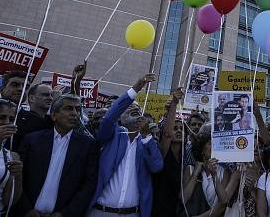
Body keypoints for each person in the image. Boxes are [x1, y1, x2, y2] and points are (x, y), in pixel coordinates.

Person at [89, 73, 163, 217]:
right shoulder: (111, 135)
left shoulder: (147, 142)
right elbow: (109, 117)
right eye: (129, 107)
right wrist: (135, 89)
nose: (135, 109)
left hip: (132, 213)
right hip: (100, 211)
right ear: (119, 117)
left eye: (137, 108)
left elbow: (156, 166)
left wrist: (147, 136)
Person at [15, 94, 99, 217]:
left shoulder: (88, 145)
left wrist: (65, 214)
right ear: (54, 115)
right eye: (68, 108)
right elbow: (18, 177)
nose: (74, 113)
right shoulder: (32, 140)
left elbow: (88, 185)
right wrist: (26, 209)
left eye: (77, 109)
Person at [180, 130, 236, 217]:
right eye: (210, 144)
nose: (214, 147)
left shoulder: (224, 171)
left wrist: (214, 174)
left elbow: (224, 202)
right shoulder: (190, 169)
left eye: (216, 145)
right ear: (202, 149)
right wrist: (195, 174)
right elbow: (183, 200)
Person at [153, 88, 185, 217]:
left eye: (182, 129)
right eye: (175, 128)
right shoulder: (163, 152)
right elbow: (166, 135)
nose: (178, 131)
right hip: (159, 209)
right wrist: (174, 104)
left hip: (177, 210)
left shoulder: (186, 157)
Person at [13, 83, 54, 150]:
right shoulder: (19, 120)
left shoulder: (53, 122)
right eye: (45, 95)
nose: (50, 98)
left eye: (52, 95)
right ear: (32, 98)